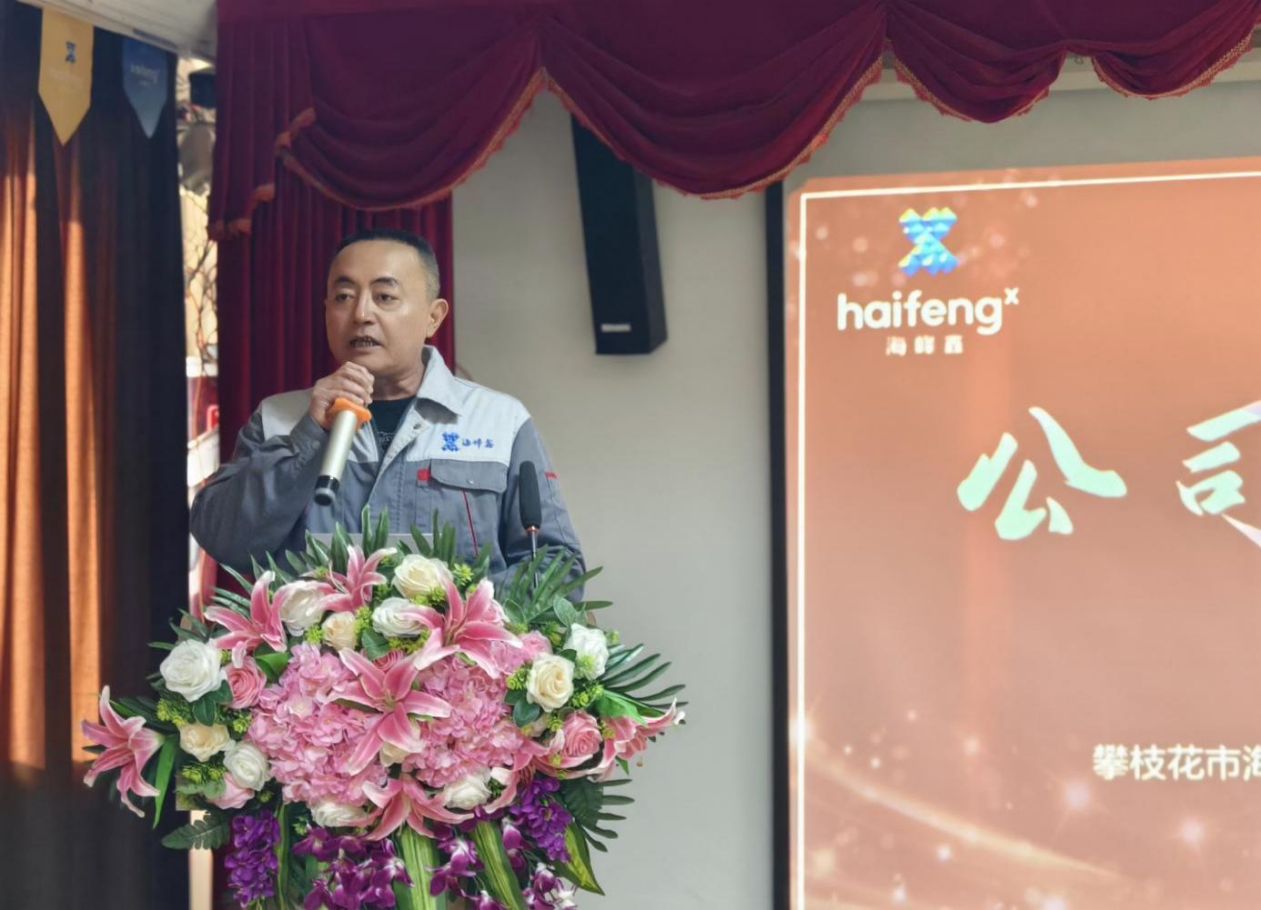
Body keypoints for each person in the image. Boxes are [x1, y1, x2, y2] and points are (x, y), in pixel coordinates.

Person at [191, 228, 583, 593]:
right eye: (343, 297)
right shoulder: (277, 418)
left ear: (433, 317)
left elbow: (558, 566)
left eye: (384, 297)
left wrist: (460, 614)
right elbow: (225, 541)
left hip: (459, 646)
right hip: (310, 648)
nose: (361, 313)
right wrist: (309, 436)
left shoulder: (499, 422)